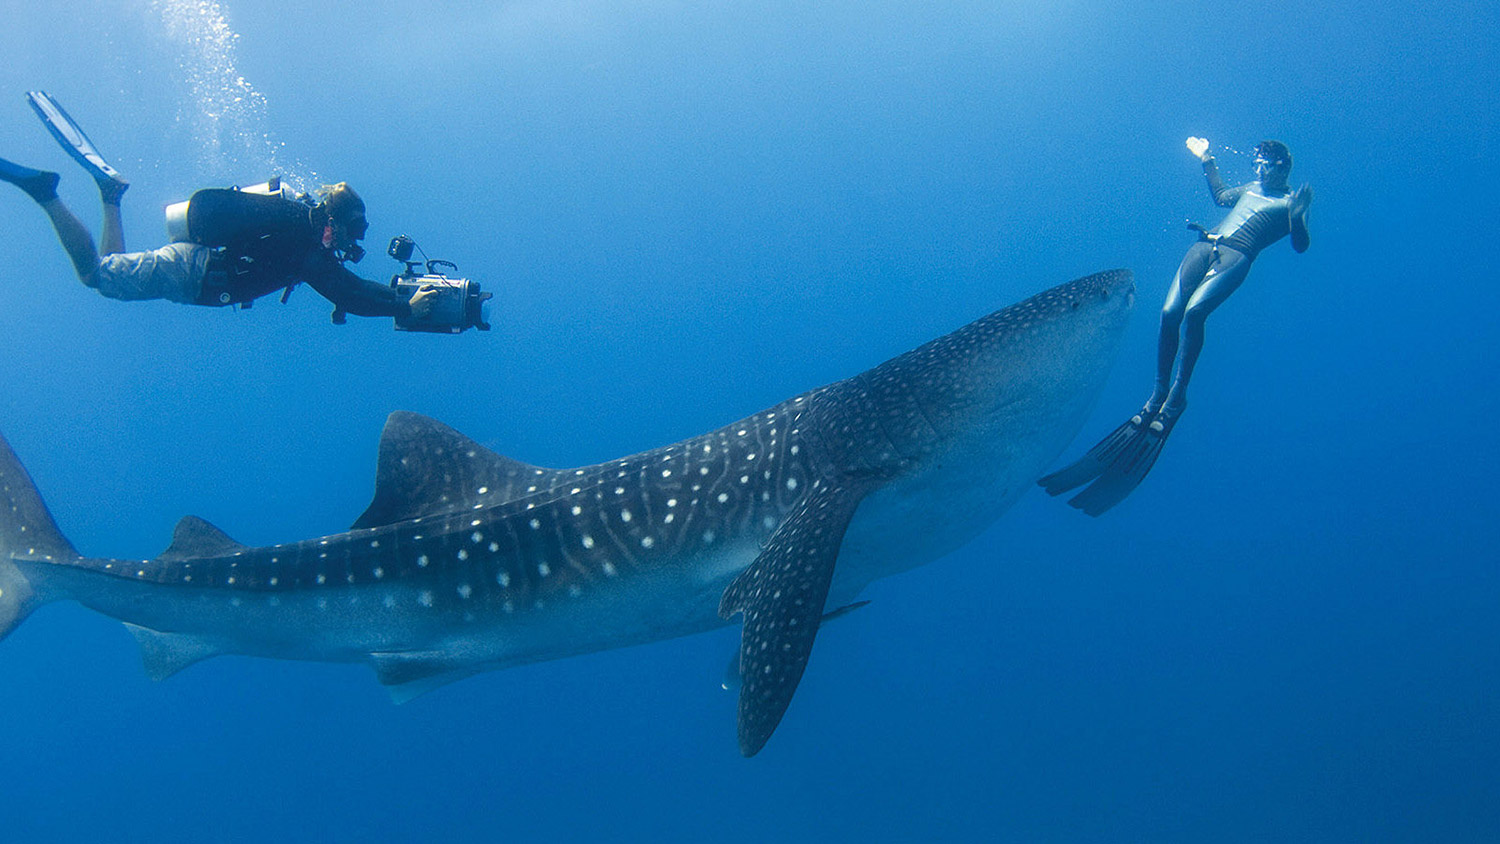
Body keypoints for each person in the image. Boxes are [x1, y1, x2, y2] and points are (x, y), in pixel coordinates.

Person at [1039, 136, 1313, 515]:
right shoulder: (1250, 188)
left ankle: (1177, 397)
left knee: (1195, 314)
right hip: (1205, 245)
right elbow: (1220, 197)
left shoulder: (1288, 203)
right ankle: (1157, 394)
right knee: (1169, 314)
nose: (1258, 170)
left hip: (1237, 256)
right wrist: (1207, 158)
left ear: (1283, 166)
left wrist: (1298, 217)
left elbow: (1300, 246)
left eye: (1265, 164)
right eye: (1257, 163)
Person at [0, 91, 435, 323]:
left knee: (113, 268)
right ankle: (45, 193)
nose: (353, 241)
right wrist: (406, 306)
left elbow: (348, 285)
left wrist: (401, 299)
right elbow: (349, 293)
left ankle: (109, 196)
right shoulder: (308, 244)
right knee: (94, 277)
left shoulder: (302, 230)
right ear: (336, 221)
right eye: (354, 230)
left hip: (195, 271)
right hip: (193, 272)